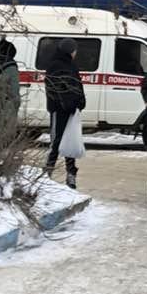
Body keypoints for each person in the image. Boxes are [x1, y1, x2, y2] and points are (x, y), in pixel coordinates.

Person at [44, 36, 86, 189]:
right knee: (56, 141)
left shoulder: (72, 65)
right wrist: (65, 103)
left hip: (72, 110)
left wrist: (80, 102)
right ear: (69, 50)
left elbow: (77, 85)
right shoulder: (55, 65)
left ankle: (71, 175)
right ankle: (47, 173)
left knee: (70, 142)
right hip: (58, 110)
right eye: (74, 50)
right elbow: (55, 89)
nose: (75, 53)